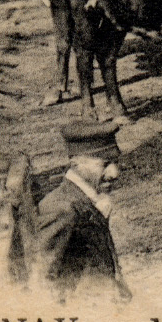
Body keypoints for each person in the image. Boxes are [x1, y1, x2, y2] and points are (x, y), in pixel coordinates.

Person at [37, 121, 132, 300]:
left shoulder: (86, 199)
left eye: (115, 162)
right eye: (104, 164)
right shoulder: (61, 208)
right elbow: (42, 281)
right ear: (76, 164)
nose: (115, 173)